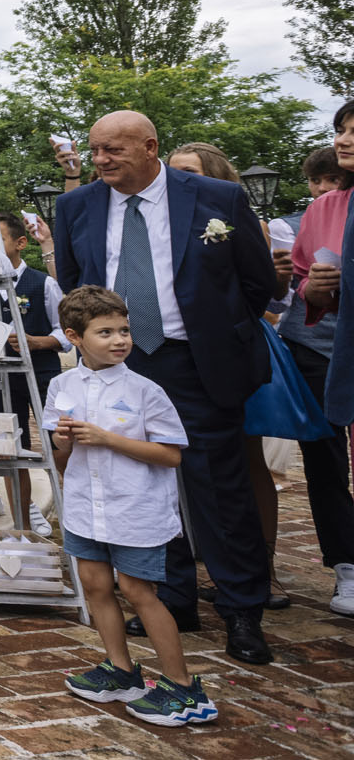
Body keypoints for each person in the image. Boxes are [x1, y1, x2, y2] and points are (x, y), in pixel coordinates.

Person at [52, 111, 279, 665]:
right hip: (118, 368)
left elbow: (257, 283)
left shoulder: (215, 199)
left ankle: (242, 610)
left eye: (114, 150)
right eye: (95, 150)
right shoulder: (76, 206)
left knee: (218, 488)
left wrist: (214, 334)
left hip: (194, 365)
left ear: (150, 147)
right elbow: (75, 280)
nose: (100, 160)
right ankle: (170, 597)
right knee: (140, 484)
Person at [48, 286, 213, 727]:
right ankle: (121, 671)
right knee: (96, 586)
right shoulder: (60, 386)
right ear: (74, 337)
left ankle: (181, 687)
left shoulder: (146, 391)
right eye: (106, 332)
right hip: (86, 506)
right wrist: (62, 442)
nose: (120, 340)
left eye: (124, 330)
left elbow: (171, 454)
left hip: (133, 508)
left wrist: (107, 438)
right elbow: (61, 459)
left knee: (139, 591)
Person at [166, 139, 290, 610]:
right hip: (183, 355)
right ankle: (205, 560)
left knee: (246, 459)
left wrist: (230, 325)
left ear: (215, 174)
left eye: (190, 171)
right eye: (174, 171)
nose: (180, 180)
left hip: (233, 348)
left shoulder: (237, 217)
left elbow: (264, 289)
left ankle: (265, 569)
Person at [0, 211, 67, 537]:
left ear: (20, 243)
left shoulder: (43, 283)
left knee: (59, 443)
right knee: (10, 446)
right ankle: (23, 518)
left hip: (42, 374)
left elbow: (67, 331)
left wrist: (38, 342)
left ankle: (73, 506)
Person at [299, 115, 354, 616]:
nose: (344, 139)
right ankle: (347, 565)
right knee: (328, 463)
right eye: (342, 129)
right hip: (331, 354)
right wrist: (312, 289)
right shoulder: (325, 208)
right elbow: (301, 276)